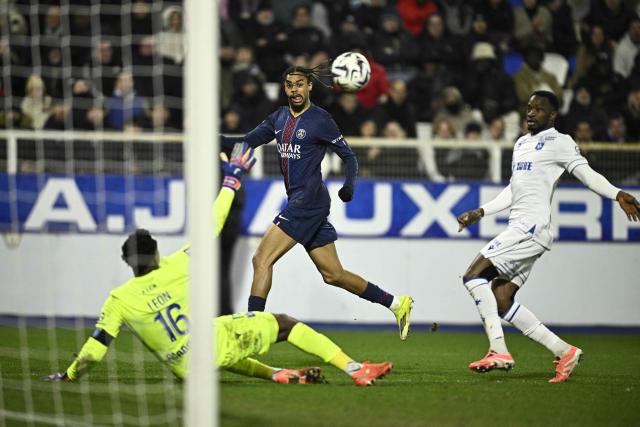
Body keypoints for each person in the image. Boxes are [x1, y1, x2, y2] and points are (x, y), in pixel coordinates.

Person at [43, 144, 393, 387]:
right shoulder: (178, 264)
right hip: (208, 346)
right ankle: (355, 369)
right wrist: (231, 179)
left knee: (217, 338)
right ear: (155, 256)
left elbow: (95, 349)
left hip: (184, 368)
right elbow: (212, 223)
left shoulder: (118, 299)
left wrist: (70, 375)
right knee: (283, 325)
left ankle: (277, 374)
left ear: (127, 262)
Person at [456, 90, 640, 383]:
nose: (530, 113)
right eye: (528, 108)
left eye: (538, 109)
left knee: (472, 276)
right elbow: (515, 190)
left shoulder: (560, 142)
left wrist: (617, 194)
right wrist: (480, 211)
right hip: (524, 230)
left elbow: (587, 174)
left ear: (552, 115)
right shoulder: (520, 144)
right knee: (502, 299)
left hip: (530, 229)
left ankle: (498, 350)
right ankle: (564, 351)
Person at [221, 66, 414, 340]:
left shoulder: (320, 120)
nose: (295, 90)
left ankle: (254, 329)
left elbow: (349, 157)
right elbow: (246, 142)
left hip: (307, 202)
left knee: (261, 259)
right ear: (285, 88)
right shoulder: (278, 118)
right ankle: (396, 303)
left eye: (300, 84)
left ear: (309, 87)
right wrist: (212, 141)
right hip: (305, 203)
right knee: (333, 274)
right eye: (290, 85)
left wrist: (348, 187)